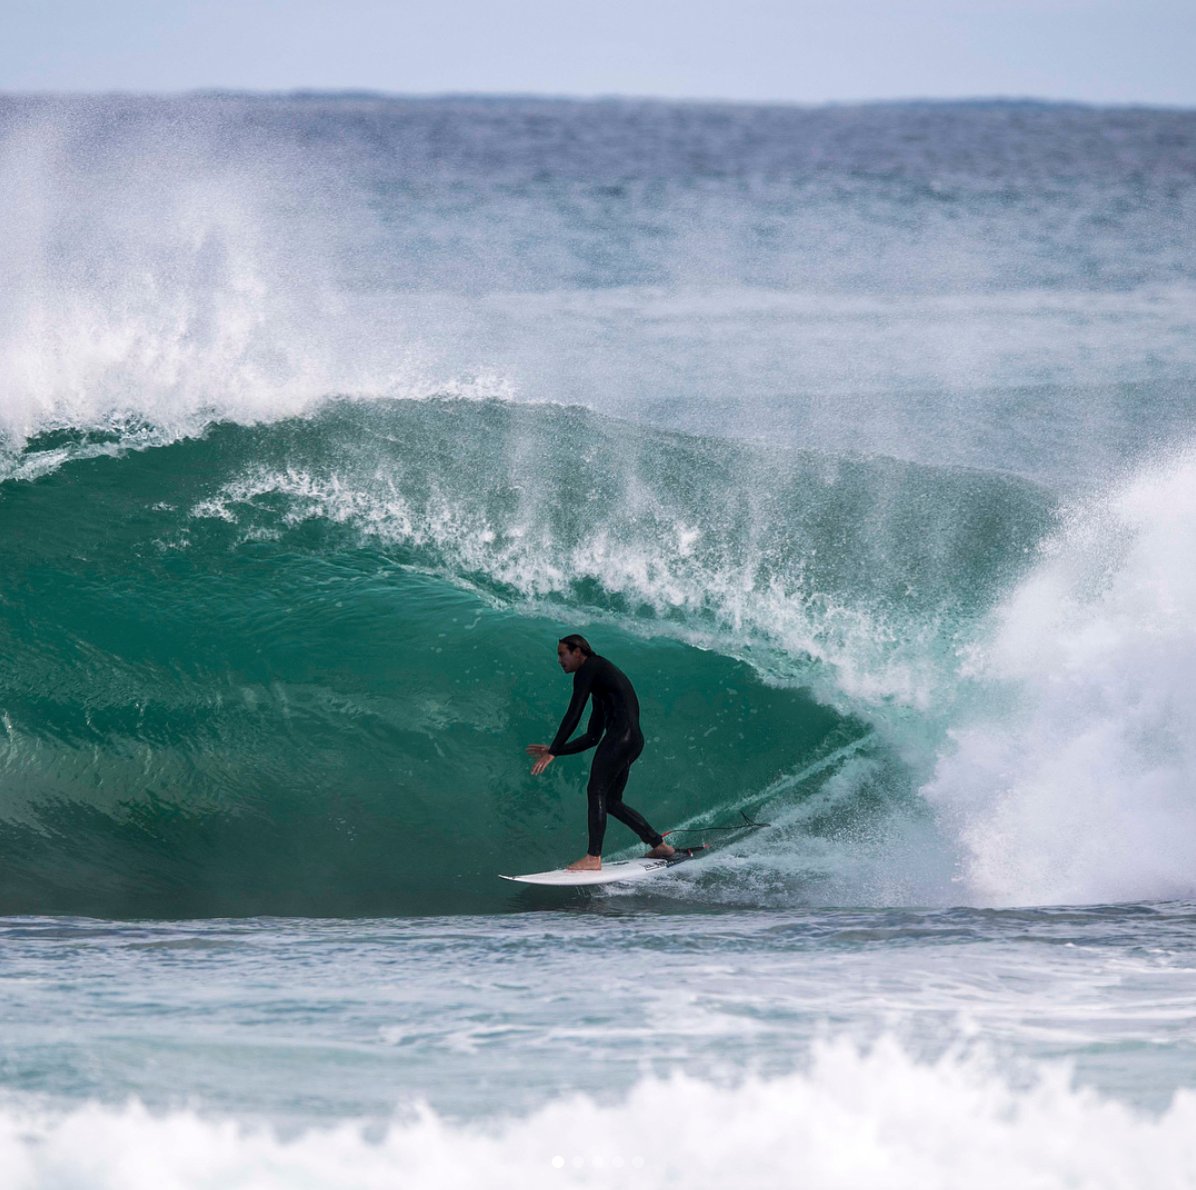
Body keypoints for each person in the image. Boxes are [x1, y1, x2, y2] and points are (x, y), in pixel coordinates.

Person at [527, 634, 675, 871]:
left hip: (621, 738)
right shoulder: (601, 683)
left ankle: (593, 857)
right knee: (610, 801)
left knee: (595, 790)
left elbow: (573, 713)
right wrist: (558, 749)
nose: (558, 660)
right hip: (632, 740)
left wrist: (553, 751)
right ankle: (659, 845)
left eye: (561, 653)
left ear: (577, 652)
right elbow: (592, 737)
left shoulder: (589, 668)